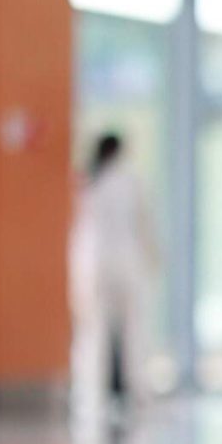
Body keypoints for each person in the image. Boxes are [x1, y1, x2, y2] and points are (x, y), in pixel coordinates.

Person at [68, 131, 161, 423]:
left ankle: (91, 395)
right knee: (134, 329)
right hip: (127, 263)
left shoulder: (88, 182)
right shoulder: (132, 181)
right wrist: (154, 259)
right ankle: (138, 392)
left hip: (96, 265)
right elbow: (144, 224)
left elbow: (81, 233)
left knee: (94, 332)